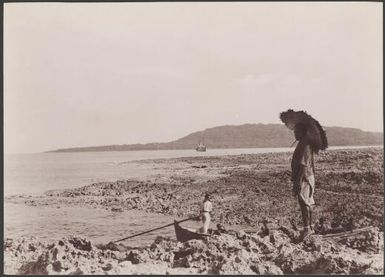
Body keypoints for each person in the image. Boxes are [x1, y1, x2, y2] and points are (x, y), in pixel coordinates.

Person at [291, 123, 315, 239]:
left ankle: (307, 229)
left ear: (302, 132)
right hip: (305, 177)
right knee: (307, 202)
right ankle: (309, 228)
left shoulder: (305, 145)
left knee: (304, 203)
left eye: (297, 131)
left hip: (304, 178)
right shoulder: (304, 143)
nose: (295, 133)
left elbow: (304, 165)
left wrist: (297, 182)